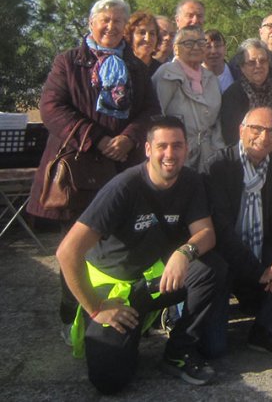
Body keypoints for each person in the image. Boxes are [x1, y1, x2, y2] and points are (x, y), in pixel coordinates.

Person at [55, 116, 227, 394]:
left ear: (187, 149)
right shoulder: (124, 187)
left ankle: (178, 351)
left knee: (211, 268)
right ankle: (119, 331)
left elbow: (206, 233)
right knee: (110, 380)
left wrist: (184, 252)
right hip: (113, 290)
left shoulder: (191, 181)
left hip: (150, 281)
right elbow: (67, 253)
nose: (170, 154)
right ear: (148, 149)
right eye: (162, 146)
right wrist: (97, 307)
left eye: (177, 145)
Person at [28, 0, 162, 333]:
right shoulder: (69, 62)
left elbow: (149, 110)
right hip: (79, 171)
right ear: (91, 23)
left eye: (118, 22)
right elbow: (52, 107)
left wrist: (129, 138)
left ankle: (120, 310)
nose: (111, 27)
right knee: (75, 245)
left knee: (117, 242)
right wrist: (97, 138)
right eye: (105, 19)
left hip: (121, 167)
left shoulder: (136, 67)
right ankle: (72, 311)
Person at [203, 107, 272, 356]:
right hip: (224, 255)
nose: (264, 136)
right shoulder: (218, 166)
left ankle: (265, 331)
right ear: (241, 130)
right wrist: (260, 272)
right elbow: (222, 231)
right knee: (213, 349)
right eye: (256, 128)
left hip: (260, 248)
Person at [152, 25, 224, 172]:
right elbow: (156, 117)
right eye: (189, 43)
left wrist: (218, 150)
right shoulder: (166, 74)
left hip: (209, 155)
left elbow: (217, 121)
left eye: (200, 43)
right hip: (177, 156)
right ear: (176, 48)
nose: (196, 47)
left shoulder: (211, 78)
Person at [220, 38, 272, 146]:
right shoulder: (232, 95)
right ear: (242, 67)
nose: (258, 66)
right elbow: (231, 136)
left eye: (263, 61)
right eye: (251, 62)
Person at [123, 11, 162, 78]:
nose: (147, 39)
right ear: (130, 36)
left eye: (152, 34)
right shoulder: (122, 66)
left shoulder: (162, 70)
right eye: (142, 33)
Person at [203, 29, 235, 94]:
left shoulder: (237, 73)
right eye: (208, 46)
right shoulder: (192, 77)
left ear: (225, 49)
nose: (213, 51)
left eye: (217, 46)